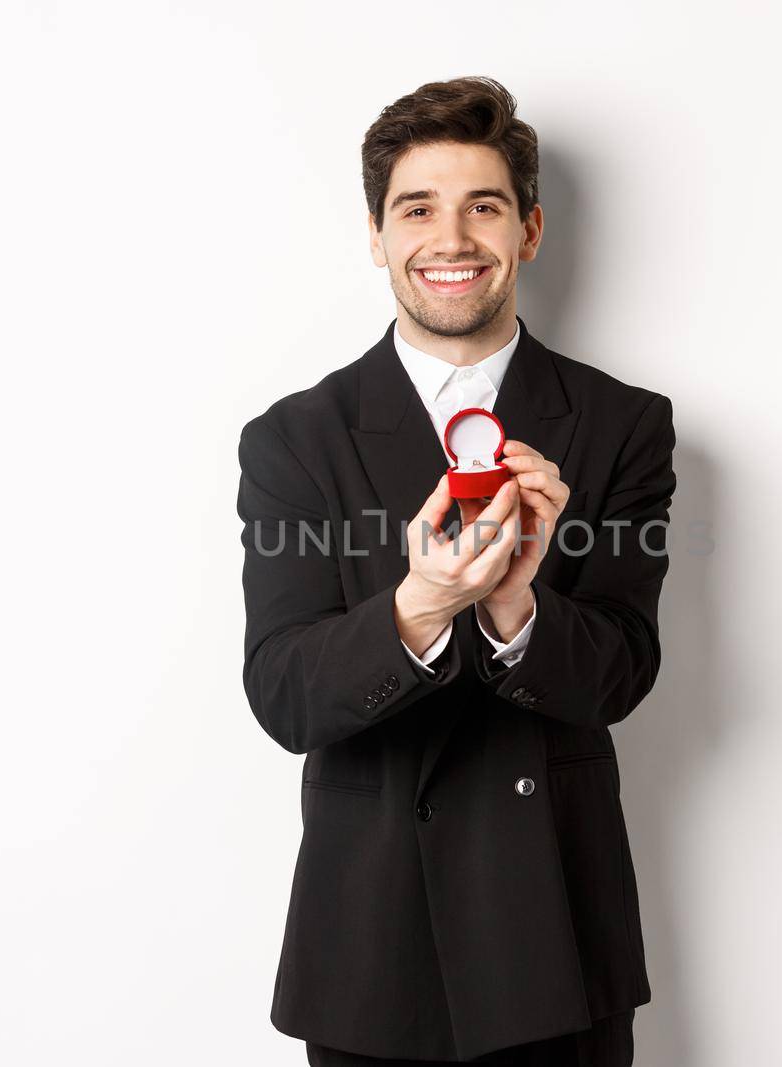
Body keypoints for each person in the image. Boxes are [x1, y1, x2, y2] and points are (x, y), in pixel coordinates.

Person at [236, 75, 676, 1065]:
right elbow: (283, 694)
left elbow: (622, 672)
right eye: (416, 208)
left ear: (528, 230)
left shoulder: (620, 425)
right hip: (372, 946)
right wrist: (423, 602)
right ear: (376, 235)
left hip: (555, 935)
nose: (450, 238)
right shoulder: (295, 440)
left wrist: (519, 600)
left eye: (482, 206)